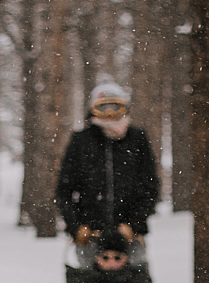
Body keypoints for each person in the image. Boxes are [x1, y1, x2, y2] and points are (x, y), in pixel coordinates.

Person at [55, 81, 160, 262]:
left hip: (130, 236)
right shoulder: (81, 141)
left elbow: (150, 188)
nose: (110, 113)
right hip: (89, 236)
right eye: (103, 107)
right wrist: (77, 227)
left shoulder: (137, 139)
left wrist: (133, 225)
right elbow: (64, 190)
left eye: (115, 106)